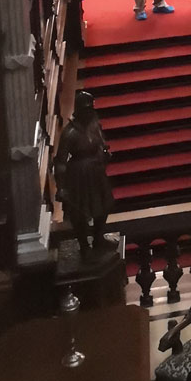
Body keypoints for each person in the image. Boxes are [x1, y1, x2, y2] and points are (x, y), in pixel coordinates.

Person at [55, 89, 114, 260]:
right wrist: (62, 187)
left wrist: (104, 154)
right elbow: (60, 162)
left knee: (104, 205)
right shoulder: (69, 133)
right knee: (79, 212)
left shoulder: (95, 125)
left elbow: (101, 144)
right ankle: (84, 246)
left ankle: (98, 238)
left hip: (95, 170)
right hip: (78, 174)